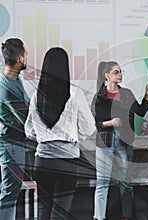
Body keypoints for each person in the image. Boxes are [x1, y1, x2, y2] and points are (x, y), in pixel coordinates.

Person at [24, 47, 96, 220]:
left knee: (43, 210)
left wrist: (44, 137)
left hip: (42, 160)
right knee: (60, 213)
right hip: (68, 161)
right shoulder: (75, 93)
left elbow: (29, 131)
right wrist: (74, 134)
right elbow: (89, 128)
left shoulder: (36, 95)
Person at [93, 61, 148, 220]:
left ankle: (127, 216)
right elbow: (96, 123)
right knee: (102, 183)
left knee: (125, 184)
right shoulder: (99, 96)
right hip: (105, 142)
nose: (120, 75)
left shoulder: (126, 93)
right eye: (116, 72)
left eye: (121, 72)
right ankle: (99, 217)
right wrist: (110, 123)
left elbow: (140, 111)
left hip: (123, 142)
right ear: (107, 75)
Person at [0, 38, 30, 220]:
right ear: (20, 58)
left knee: (11, 191)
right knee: (10, 192)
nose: (27, 58)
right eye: (26, 55)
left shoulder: (14, 80)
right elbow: (26, 118)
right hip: (11, 144)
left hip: (14, 142)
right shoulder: (8, 86)